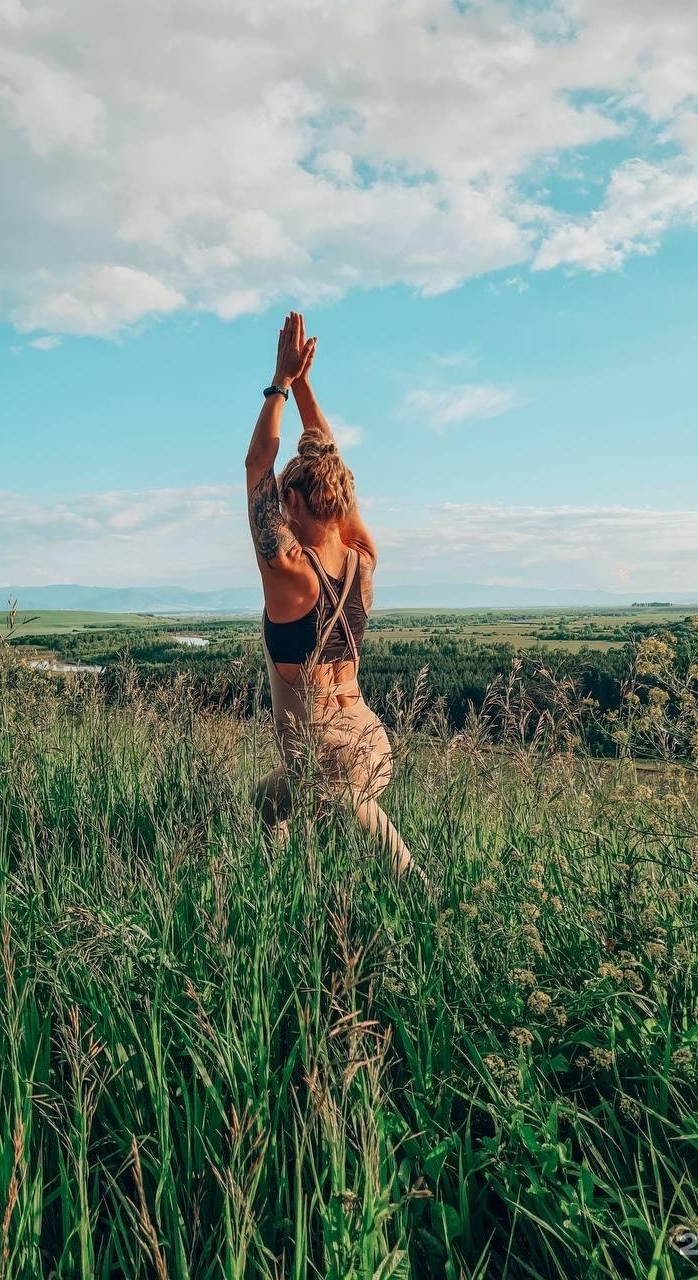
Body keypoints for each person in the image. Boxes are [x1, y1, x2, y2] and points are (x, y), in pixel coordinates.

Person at [245, 311, 416, 878]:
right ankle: (281, 885)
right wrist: (305, 386)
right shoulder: (363, 556)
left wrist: (279, 384)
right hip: (371, 739)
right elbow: (329, 461)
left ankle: (420, 892)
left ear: (291, 501)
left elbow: (256, 466)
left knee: (344, 804)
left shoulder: (291, 573)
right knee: (267, 804)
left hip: (328, 758)